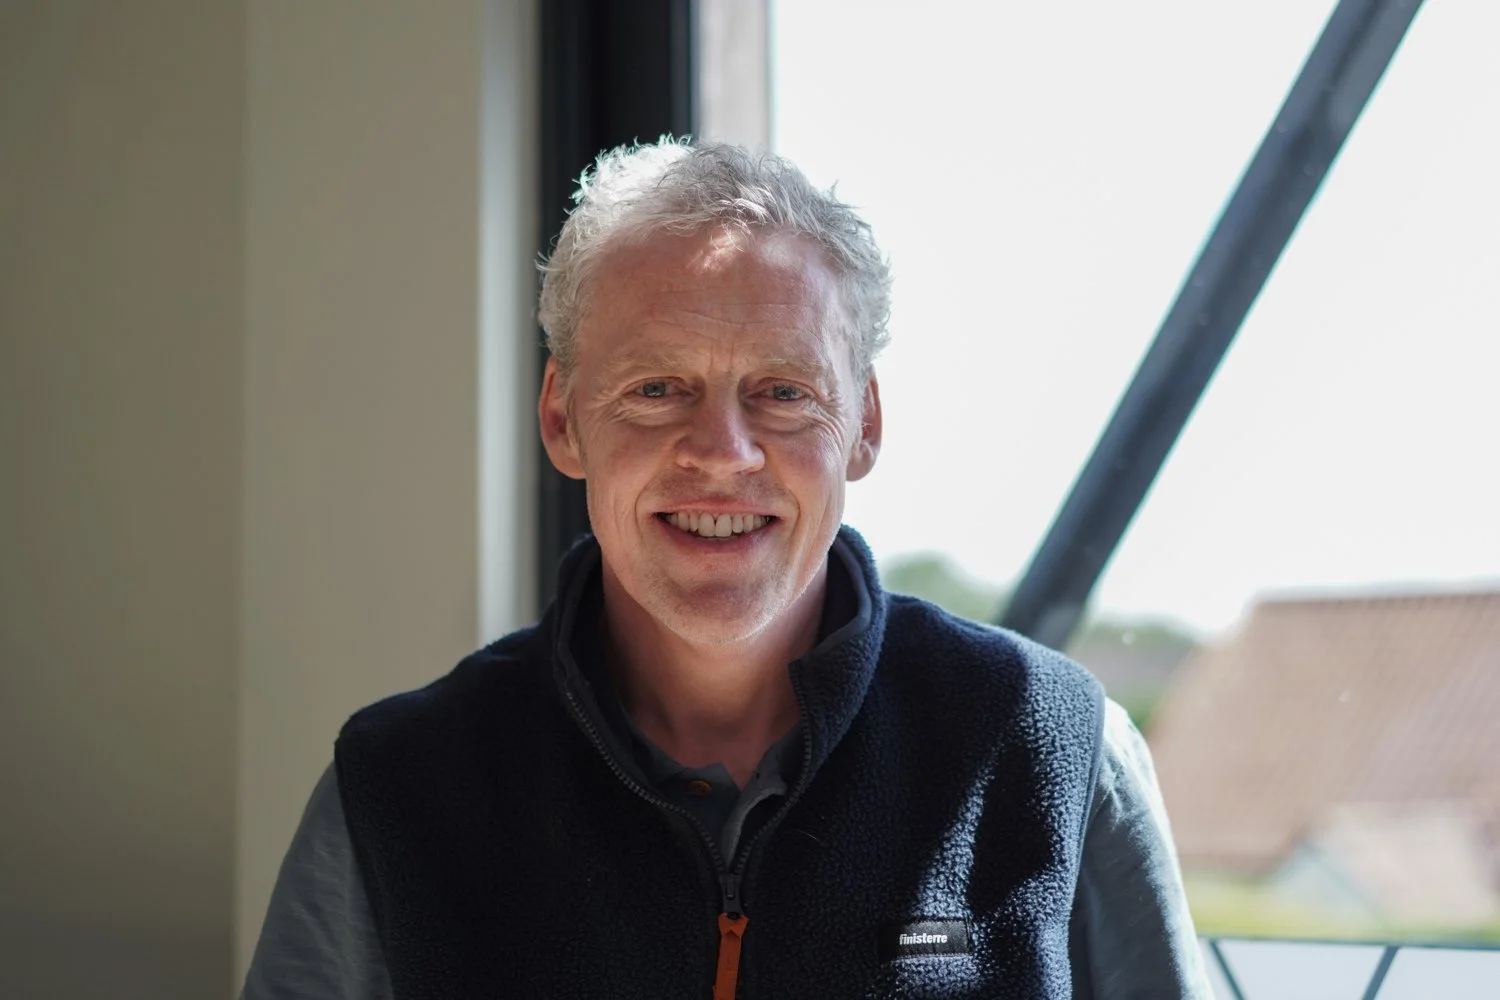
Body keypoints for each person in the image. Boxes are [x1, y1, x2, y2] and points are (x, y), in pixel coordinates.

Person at [242, 139, 1211, 999]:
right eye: (657, 388)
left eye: (783, 392)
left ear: (863, 426)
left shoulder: (1056, 754)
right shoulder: (399, 790)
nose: (723, 452)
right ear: (561, 417)